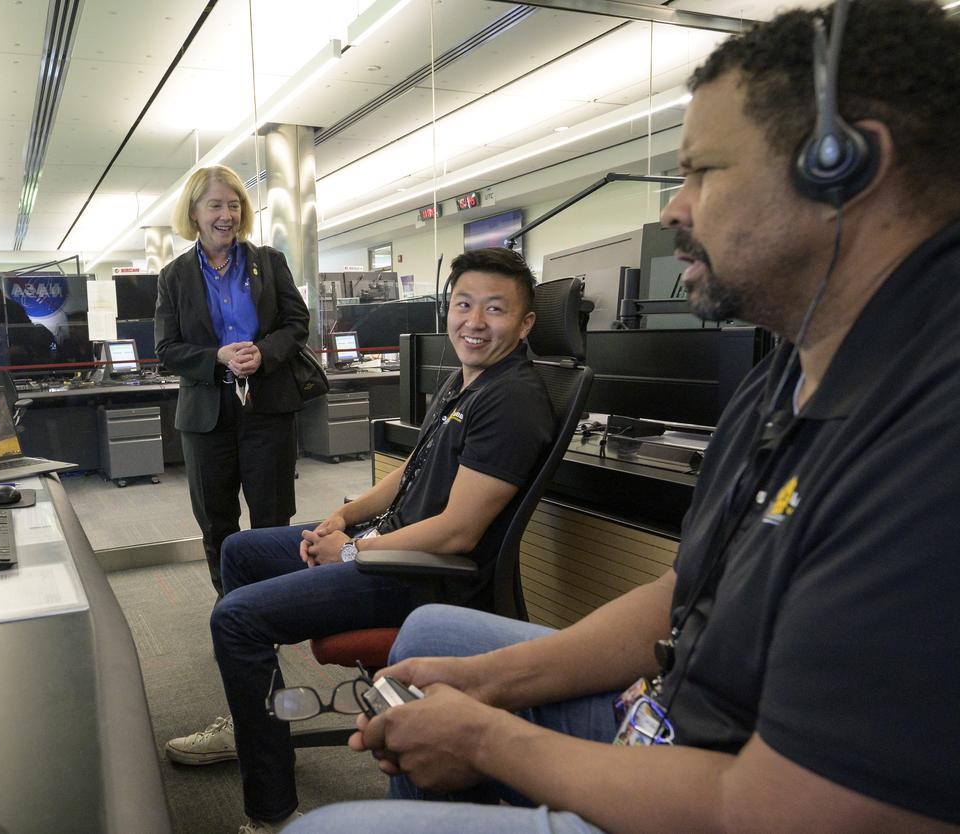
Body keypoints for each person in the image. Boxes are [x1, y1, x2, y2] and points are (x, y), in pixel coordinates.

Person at [285, 1, 960, 832]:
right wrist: (490, 686)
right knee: (441, 646)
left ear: (842, 167)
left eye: (703, 171)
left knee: (329, 829)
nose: (675, 209)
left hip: (744, 796)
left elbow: (784, 815)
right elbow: (682, 595)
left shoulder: (929, 438)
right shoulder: (790, 366)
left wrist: (492, 740)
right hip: (676, 720)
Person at [165, 247, 557, 834]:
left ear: (525, 323)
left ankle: (270, 812)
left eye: (495, 310)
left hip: (420, 576)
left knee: (236, 620)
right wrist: (343, 518)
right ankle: (254, 718)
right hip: (386, 546)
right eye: (463, 305)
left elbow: (458, 531)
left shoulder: (512, 400)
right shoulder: (465, 380)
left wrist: (351, 552)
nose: (474, 322)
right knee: (239, 550)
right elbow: (413, 471)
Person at [155, 165, 310, 596]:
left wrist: (264, 352)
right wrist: (217, 357)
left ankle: (273, 604)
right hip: (207, 414)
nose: (227, 214)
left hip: (268, 407)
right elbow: (167, 350)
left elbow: (298, 323)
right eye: (215, 205)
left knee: (272, 518)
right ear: (194, 212)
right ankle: (233, 605)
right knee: (217, 521)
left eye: (235, 204)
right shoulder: (174, 276)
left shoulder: (269, 262)